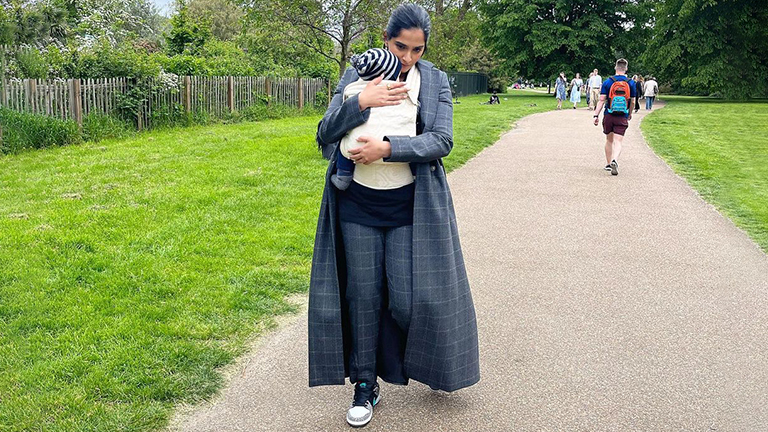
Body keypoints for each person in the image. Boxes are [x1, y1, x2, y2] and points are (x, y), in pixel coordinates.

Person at [310, 3, 480, 428]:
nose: (407, 58)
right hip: (357, 205)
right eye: (400, 47)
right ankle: (365, 384)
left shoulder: (434, 80)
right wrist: (361, 101)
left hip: (411, 207)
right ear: (386, 40)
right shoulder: (357, 74)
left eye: (417, 49)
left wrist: (388, 148)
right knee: (362, 296)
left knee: (407, 298)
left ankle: (413, 362)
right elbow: (324, 132)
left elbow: (441, 140)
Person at [330, 48, 407, 191]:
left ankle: (343, 176)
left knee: (345, 148)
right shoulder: (398, 89)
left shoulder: (353, 88)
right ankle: (415, 172)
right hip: (390, 142)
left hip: (354, 145)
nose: (407, 58)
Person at [592, 58, 637, 176]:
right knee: (618, 141)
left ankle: (608, 164)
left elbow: (601, 101)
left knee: (609, 140)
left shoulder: (608, 82)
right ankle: (615, 160)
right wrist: (630, 113)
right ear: (626, 68)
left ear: (615, 67)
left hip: (609, 114)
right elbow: (632, 101)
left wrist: (596, 115)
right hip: (622, 115)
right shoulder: (631, 83)